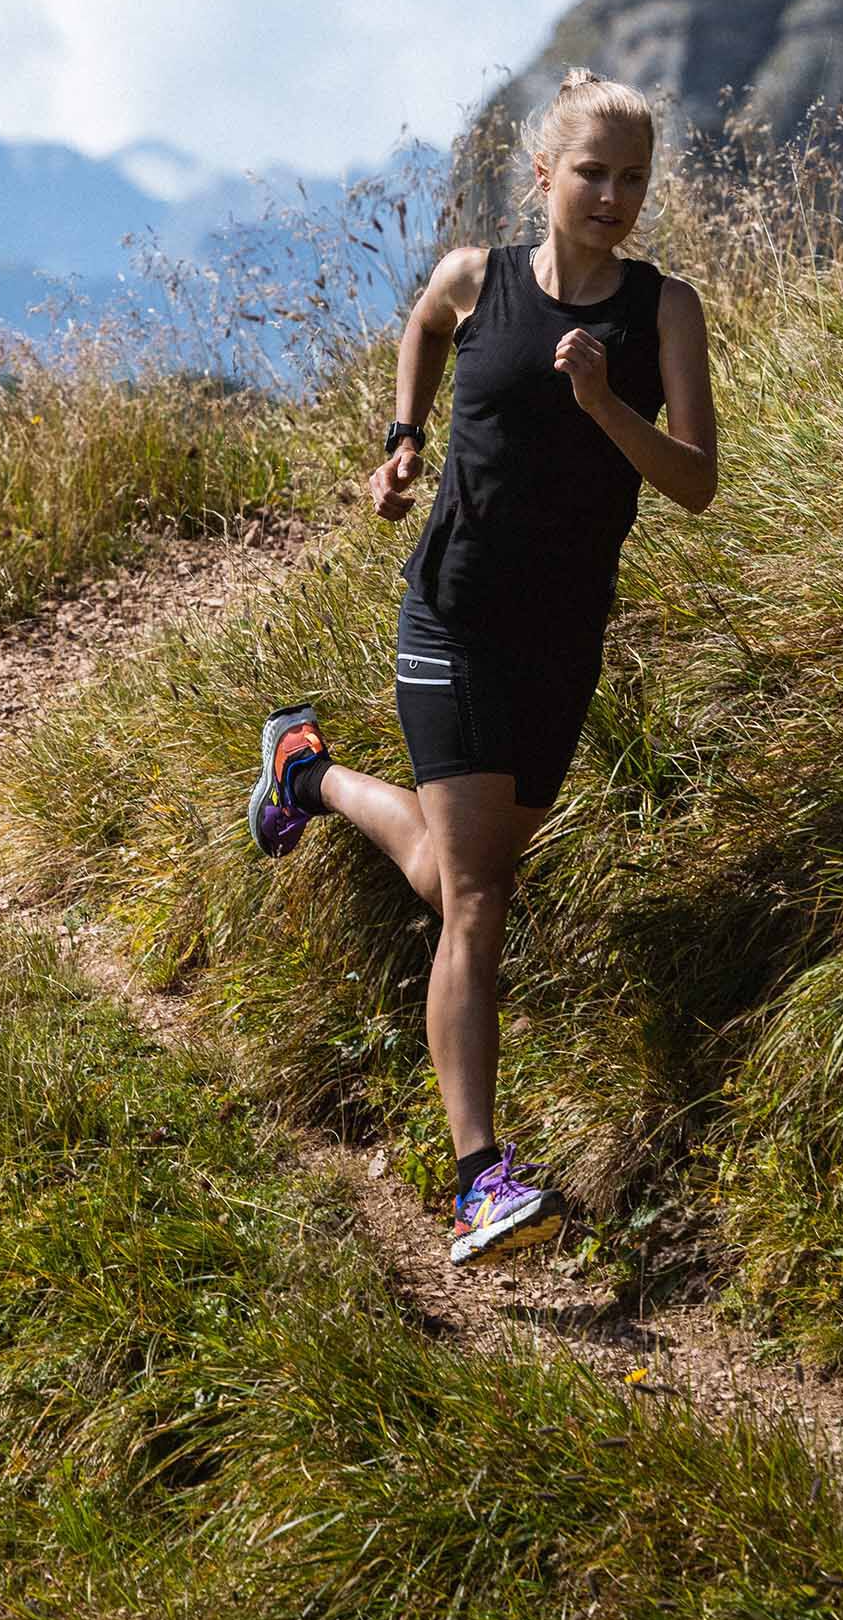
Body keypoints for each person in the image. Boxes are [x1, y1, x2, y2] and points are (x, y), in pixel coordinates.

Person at [246, 68, 717, 1266]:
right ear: (543, 177)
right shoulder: (480, 278)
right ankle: (476, 1176)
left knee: (461, 878)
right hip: (451, 615)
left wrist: (607, 406)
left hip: (565, 638)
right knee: (479, 900)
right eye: (591, 173)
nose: (611, 197)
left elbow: (696, 483)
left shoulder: (666, 313)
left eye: (632, 179)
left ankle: (307, 776)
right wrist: (403, 439)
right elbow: (423, 323)